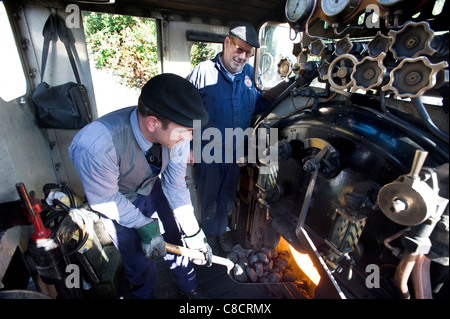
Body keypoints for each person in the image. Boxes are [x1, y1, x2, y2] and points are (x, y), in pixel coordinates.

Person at [69, 73, 211, 299]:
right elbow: (105, 200)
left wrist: (193, 231)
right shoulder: (95, 145)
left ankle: (189, 287)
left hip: (152, 189)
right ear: (152, 123)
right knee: (140, 261)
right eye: (185, 131)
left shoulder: (180, 135)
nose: (189, 138)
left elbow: (174, 186)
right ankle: (142, 296)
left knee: (174, 238)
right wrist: (143, 225)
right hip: (117, 200)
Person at [187, 22, 271, 254]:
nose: (243, 56)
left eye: (248, 53)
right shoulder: (202, 72)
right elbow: (184, 111)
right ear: (227, 43)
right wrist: (188, 147)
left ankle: (221, 232)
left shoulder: (249, 75)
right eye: (239, 49)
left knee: (226, 200)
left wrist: (288, 88)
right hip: (208, 153)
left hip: (236, 155)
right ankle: (209, 236)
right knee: (210, 201)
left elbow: (259, 105)